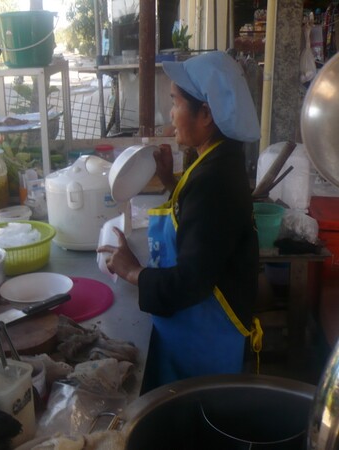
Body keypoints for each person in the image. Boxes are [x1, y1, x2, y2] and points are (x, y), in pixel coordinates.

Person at [97, 51, 262, 392]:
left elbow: (191, 281)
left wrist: (132, 272)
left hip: (206, 345)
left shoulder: (213, 181)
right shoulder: (214, 161)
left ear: (206, 114)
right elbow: (203, 224)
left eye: (175, 103)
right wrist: (170, 180)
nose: (169, 114)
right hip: (195, 334)